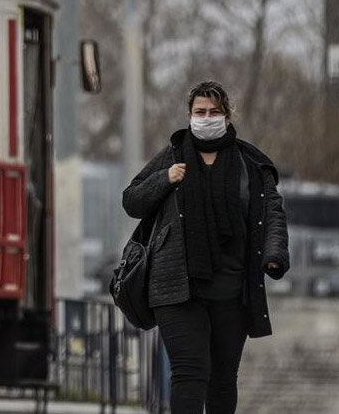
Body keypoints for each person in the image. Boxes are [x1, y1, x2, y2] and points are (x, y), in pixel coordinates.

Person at [121, 81, 289, 414]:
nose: (207, 118)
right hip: (177, 288)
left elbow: (273, 212)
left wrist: (274, 254)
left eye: (214, 112)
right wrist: (165, 179)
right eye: (200, 112)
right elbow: (132, 201)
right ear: (189, 116)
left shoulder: (251, 163)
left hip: (233, 291)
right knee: (189, 373)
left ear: (227, 117)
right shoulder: (172, 156)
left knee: (223, 379)